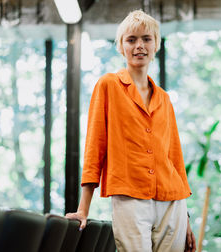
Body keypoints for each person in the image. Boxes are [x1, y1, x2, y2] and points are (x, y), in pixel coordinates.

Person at [65, 9, 196, 252]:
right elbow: (95, 147)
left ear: (155, 44)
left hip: (172, 201)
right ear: (121, 46)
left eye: (146, 39)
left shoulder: (164, 99)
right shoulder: (108, 85)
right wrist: (83, 208)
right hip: (129, 197)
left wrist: (186, 217)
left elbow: (175, 158)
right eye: (131, 39)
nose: (139, 46)